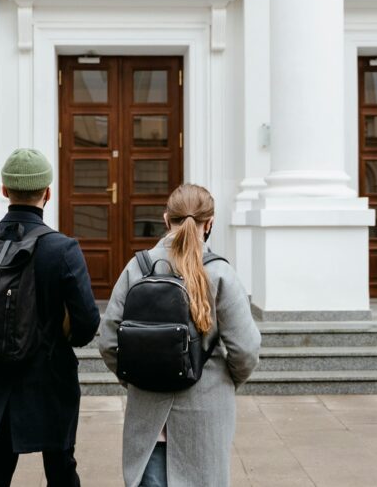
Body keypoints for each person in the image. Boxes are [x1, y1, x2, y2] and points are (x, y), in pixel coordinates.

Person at [98, 184, 262, 487]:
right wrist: (225, 382)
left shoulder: (137, 268)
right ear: (209, 223)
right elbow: (246, 349)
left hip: (147, 409)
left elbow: (108, 341)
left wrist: (137, 377)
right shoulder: (219, 273)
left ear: (165, 219)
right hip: (205, 408)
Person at [0, 148, 101, 487]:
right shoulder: (62, 248)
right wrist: (66, 336)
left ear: (4, 190)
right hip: (50, 375)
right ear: (48, 193)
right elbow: (87, 321)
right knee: (61, 469)